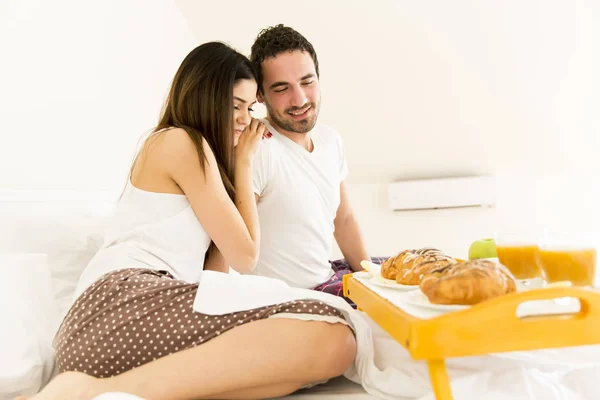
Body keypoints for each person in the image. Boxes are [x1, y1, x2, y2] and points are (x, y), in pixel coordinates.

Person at [20, 41, 356, 400]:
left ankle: (110, 390)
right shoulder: (179, 142)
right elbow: (246, 256)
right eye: (235, 106)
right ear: (205, 100)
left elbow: (217, 273)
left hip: (147, 310)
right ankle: (86, 390)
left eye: (250, 106)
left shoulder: (204, 158)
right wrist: (244, 162)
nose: (246, 118)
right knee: (325, 326)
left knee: (331, 346)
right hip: (116, 307)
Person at [249, 25, 386, 302]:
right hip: (294, 298)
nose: (299, 99)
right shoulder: (256, 149)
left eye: (307, 82)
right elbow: (231, 244)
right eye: (281, 88)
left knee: (419, 273)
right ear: (260, 95)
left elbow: (343, 219)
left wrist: (373, 284)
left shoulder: (330, 140)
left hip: (327, 278)